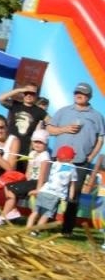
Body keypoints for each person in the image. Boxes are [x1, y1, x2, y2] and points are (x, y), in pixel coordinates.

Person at [44, 82, 105, 234]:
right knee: (54, 191)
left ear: (89, 97)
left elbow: (100, 138)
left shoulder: (96, 116)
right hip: (59, 160)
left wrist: (91, 156)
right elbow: (49, 129)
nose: (79, 95)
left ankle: (67, 228)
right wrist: (64, 129)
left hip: (80, 162)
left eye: (83, 93)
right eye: (77, 92)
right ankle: (47, 223)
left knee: (73, 195)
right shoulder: (63, 111)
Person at [26, 145, 79, 232]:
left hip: (44, 191)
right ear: (71, 158)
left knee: (35, 212)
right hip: (55, 195)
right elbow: (72, 184)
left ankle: (27, 229)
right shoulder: (72, 168)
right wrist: (70, 198)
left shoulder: (54, 164)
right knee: (45, 215)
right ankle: (35, 231)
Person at [0, 82, 48, 160]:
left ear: (36, 95)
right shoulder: (16, 105)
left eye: (32, 93)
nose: (28, 95)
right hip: (9, 147)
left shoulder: (39, 111)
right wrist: (19, 90)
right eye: (26, 92)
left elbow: (52, 121)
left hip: (25, 150)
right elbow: (1, 99)